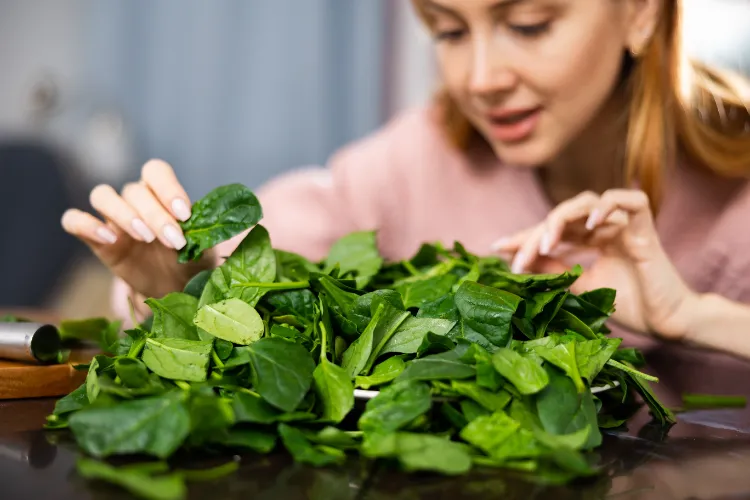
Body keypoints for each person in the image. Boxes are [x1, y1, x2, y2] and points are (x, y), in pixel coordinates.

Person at [61, 0, 750, 359]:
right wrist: (181, 277)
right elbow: (258, 239)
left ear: (640, 11)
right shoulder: (424, 156)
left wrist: (697, 319)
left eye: (528, 25)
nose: (480, 81)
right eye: (450, 33)